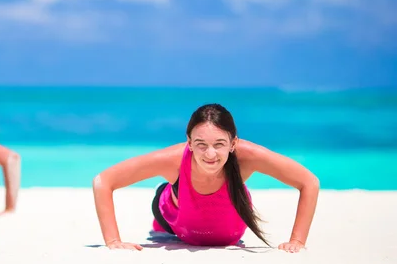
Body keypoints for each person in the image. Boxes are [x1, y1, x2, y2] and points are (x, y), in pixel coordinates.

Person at [92, 103, 319, 253]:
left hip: (223, 224)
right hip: (172, 220)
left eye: (219, 144)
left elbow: (309, 182)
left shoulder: (248, 157)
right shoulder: (172, 159)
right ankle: (168, 193)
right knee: (165, 196)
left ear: (233, 143)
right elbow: (103, 181)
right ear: (189, 143)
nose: (210, 154)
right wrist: (113, 242)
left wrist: (297, 241)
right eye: (201, 145)